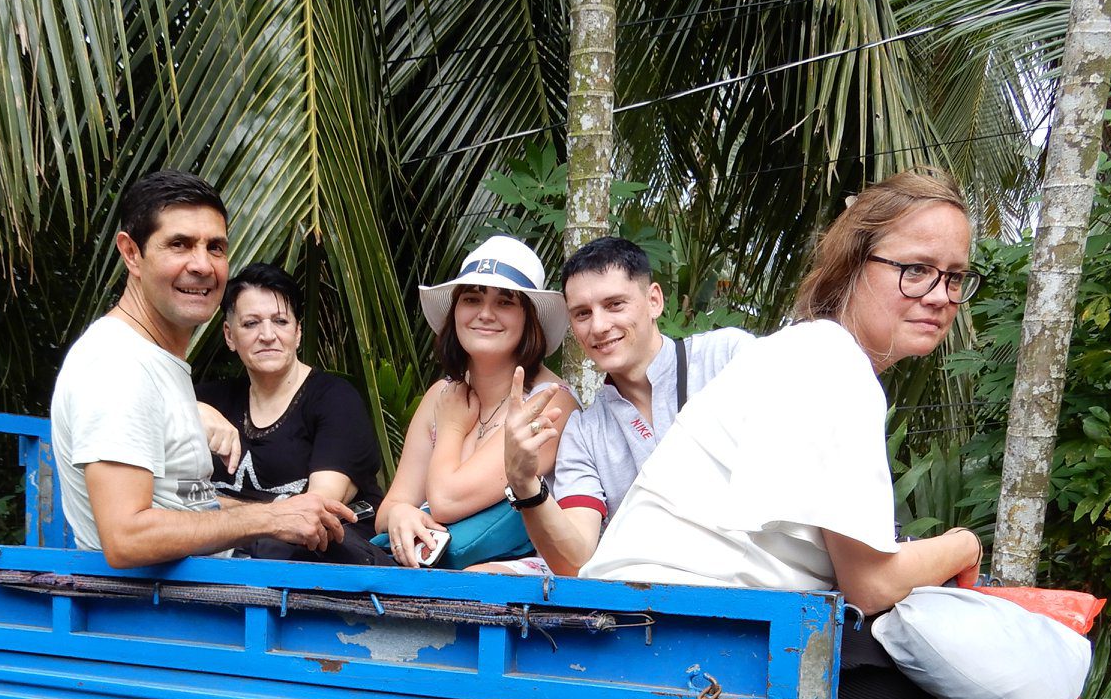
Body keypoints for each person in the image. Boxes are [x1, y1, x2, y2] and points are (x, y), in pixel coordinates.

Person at [583, 169, 1008, 699]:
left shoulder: (813, 355)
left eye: (956, 277)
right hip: (683, 638)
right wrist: (961, 542)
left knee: (884, 691)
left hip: (692, 624)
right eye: (914, 269)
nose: (938, 293)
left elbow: (843, 567)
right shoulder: (831, 363)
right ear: (856, 261)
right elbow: (873, 580)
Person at [50, 170, 353, 568]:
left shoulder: (156, 361)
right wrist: (271, 517)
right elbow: (126, 536)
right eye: (179, 244)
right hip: (168, 617)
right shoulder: (117, 364)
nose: (202, 265)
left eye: (215, 247)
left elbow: (181, 498)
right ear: (131, 253)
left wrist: (277, 511)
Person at [498, 237, 754, 576]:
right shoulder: (584, 431)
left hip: (757, 571)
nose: (599, 326)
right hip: (656, 595)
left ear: (654, 301)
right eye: (582, 314)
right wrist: (524, 482)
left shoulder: (726, 357)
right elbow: (576, 559)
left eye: (615, 304)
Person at [375, 236, 579, 568]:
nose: (485, 314)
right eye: (472, 299)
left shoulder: (549, 400)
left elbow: (445, 501)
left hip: (517, 581)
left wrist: (453, 427)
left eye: (505, 302)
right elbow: (391, 505)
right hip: (430, 571)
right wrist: (400, 513)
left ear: (529, 318)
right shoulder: (441, 394)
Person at [194, 263, 391, 565]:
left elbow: (311, 514)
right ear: (229, 335)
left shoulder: (335, 400)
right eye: (251, 324)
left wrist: (213, 512)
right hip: (222, 571)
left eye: (281, 321)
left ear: (298, 332)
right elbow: (164, 498)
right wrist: (189, 410)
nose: (268, 335)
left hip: (316, 580)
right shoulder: (206, 401)